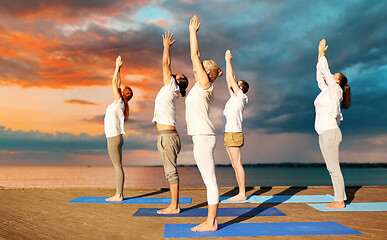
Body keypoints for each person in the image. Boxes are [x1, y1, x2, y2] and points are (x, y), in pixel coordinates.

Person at [186, 15, 223, 232]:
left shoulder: (205, 83)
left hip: (204, 136)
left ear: (207, 72)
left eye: (202, 65)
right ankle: (211, 220)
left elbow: (194, 55)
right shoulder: (200, 87)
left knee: (210, 181)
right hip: (201, 136)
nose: (198, 65)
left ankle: (212, 222)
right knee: (208, 180)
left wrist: (192, 33)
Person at [152, 31, 189, 214]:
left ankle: (174, 206)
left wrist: (166, 46)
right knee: (170, 171)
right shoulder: (170, 88)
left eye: (177, 74)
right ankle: (174, 204)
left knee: (171, 172)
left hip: (168, 137)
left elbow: (165, 64)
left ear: (178, 81)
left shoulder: (171, 86)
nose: (173, 73)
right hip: (165, 136)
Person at [315, 39, 351, 208]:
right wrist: (318, 55)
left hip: (330, 133)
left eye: (334, 77)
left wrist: (322, 54)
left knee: (334, 168)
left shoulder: (336, 90)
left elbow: (325, 72)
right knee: (331, 168)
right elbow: (320, 77)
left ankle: (339, 201)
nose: (331, 77)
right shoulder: (327, 92)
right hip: (324, 133)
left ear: (338, 82)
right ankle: (339, 198)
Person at [104, 56, 133, 201]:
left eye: (121, 89)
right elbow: (117, 82)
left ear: (123, 94)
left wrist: (117, 67)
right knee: (118, 165)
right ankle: (119, 193)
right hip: (117, 137)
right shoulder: (121, 103)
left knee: (117, 166)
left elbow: (113, 82)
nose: (119, 88)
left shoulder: (119, 101)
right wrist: (119, 69)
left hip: (113, 138)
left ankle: (119, 194)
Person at [223, 49, 249, 202]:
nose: (234, 84)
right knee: (234, 164)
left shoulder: (240, 96)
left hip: (234, 133)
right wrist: (226, 63)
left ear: (241, 88)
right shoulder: (234, 96)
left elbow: (231, 79)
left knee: (238, 164)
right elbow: (228, 79)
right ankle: (240, 192)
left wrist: (228, 60)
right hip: (229, 133)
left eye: (238, 84)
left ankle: (242, 194)